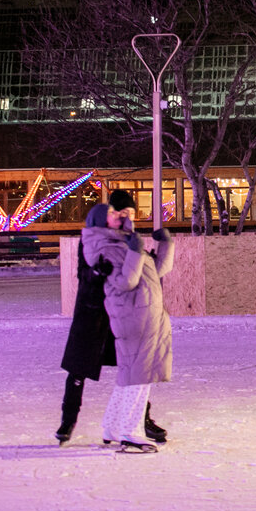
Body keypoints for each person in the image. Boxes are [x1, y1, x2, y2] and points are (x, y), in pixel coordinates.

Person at [55, 191, 167, 446]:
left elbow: (142, 270)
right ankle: (68, 420)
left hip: (119, 313)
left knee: (131, 368)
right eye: (123, 213)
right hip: (93, 312)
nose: (127, 217)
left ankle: (139, 420)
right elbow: (84, 273)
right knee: (78, 369)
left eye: (131, 214)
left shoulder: (126, 237)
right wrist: (97, 273)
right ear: (112, 214)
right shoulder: (95, 238)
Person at [81, 199, 175, 453]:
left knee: (129, 373)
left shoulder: (121, 241)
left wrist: (165, 244)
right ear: (101, 222)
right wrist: (134, 250)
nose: (118, 214)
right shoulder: (104, 248)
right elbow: (126, 282)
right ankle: (131, 433)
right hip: (132, 317)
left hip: (143, 315)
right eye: (112, 213)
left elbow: (157, 271)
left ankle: (112, 426)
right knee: (139, 374)